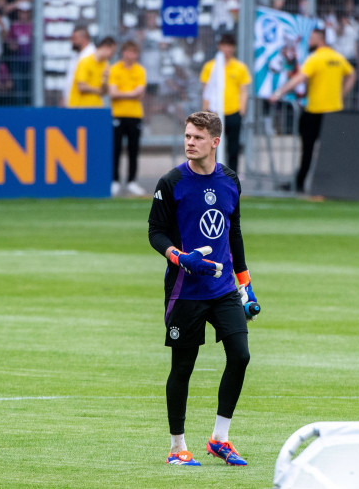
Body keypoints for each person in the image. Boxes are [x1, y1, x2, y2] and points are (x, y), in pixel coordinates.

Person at [147, 111, 257, 468]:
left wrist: (246, 286)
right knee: (183, 367)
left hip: (223, 288)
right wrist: (181, 258)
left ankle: (220, 439)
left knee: (240, 355)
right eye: (187, 136)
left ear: (215, 142)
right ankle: (177, 447)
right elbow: (155, 233)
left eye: (197, 137)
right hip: (186, 290)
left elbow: (233, 233)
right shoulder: (171, 181)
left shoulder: (230, 180)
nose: (189, 142)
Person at [269, 28, 356, 193]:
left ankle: (300, 183)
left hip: (315, 110)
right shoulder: (337, 57)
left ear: (319, 39)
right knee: (331, 151)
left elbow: (299, 78)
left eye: (312, 39)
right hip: (334, 110)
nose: (309, 42)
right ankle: (329, 185)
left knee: (307, 149)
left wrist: (279, 93)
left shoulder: (315, 58)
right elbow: (352, 74)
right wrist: (342, 94)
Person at [200, 33, 251, 173]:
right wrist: (205, 112)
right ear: (219, 47)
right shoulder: (210, 67)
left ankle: (232, 174)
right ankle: (213, 173)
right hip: (214, 113)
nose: (227, 49)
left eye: (230, 46)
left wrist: (242, 110)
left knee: (233, 146)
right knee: (213, 146)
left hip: (233, 111)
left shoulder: (239, 67)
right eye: (225, 46)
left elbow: (243, 91)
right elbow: (206, 91)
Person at [108, 40, 147, 197]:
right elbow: (112, 93)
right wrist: (131, 93)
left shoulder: (140, 70)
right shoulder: (115, 69)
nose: (131, 55)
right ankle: (115, 181)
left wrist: (122, 93)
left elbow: (140, 93)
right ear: (123, 52)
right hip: (117, 114)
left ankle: (132, 181)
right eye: (128, 52)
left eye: (134, 52)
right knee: (115, 149)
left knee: (133, 149)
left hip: (135, 115)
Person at [66, 36, 115, 108]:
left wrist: (105, 80)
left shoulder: (106, 65)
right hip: (79, 107)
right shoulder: (85, 62)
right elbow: (81, 86)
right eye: (112, 52)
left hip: (96, 107)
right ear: (106, 47)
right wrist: (98, 90)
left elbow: (104, 91)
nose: (112, 55)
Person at [63, 25, 95, 107]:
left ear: (84, 39)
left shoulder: (92, 56)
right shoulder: (76, 55)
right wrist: (65, 97)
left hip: (85, 104)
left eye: (74, 38)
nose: (72, 41)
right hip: (72, 102)